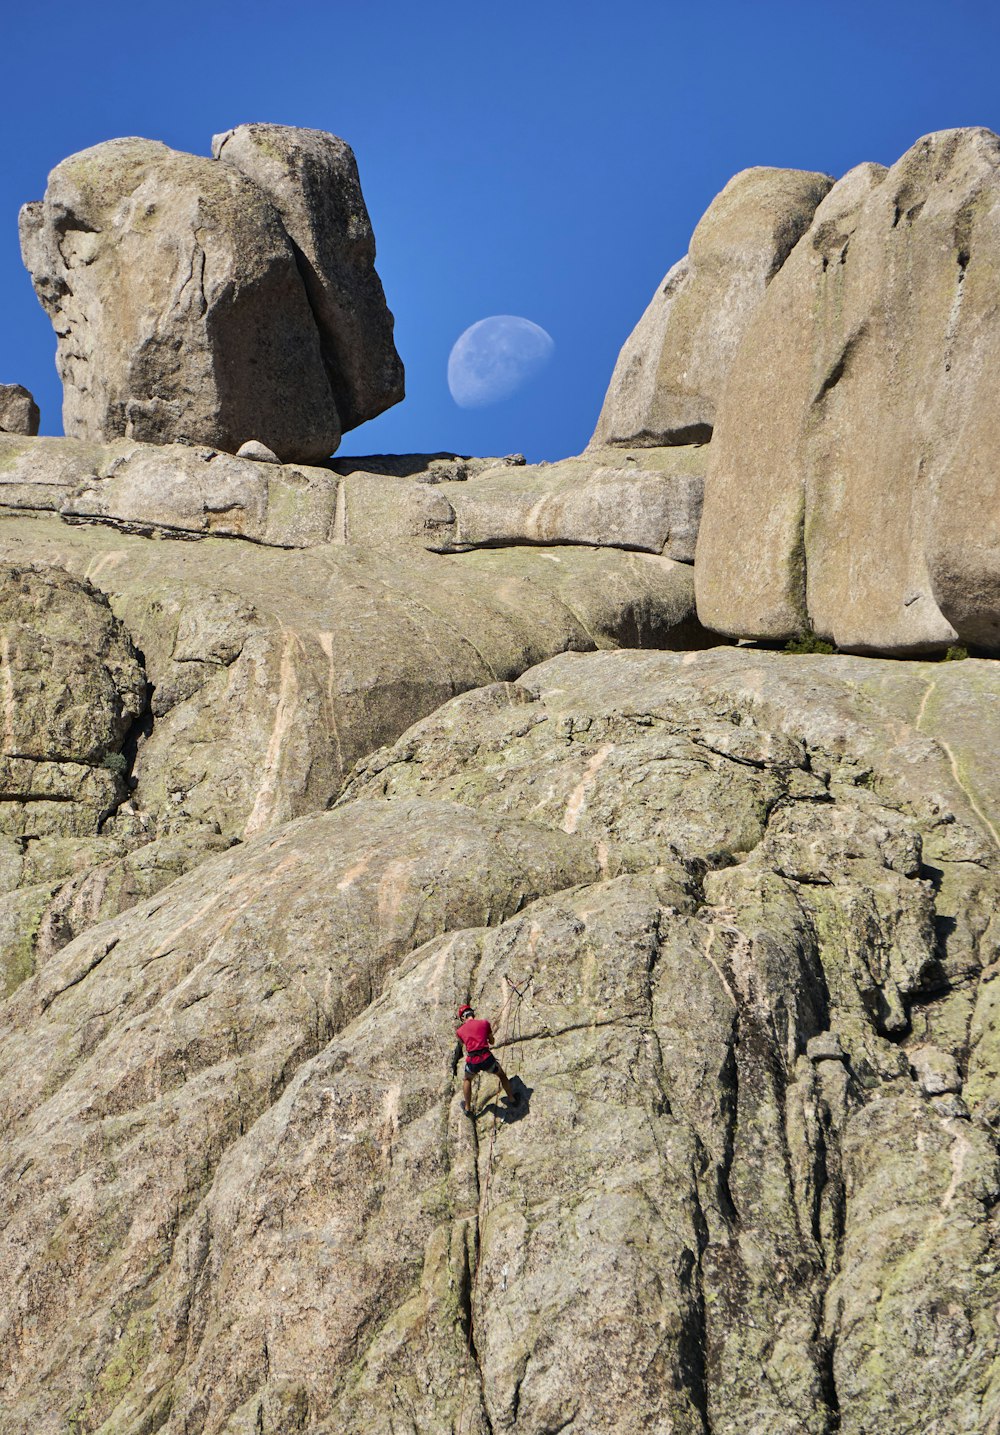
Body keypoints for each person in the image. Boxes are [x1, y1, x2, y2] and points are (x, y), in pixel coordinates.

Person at [455, 1002, 520, 1117]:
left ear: (462, 1017)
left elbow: (465, 1044)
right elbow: (492, 1041)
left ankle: (468, 1108)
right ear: (472, 1014)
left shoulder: (459, 1031)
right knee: (501, 1075)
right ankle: (512, 1099)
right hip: (486, 1059)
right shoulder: (484, 1023)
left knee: (467, 1080)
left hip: (473, 1061)